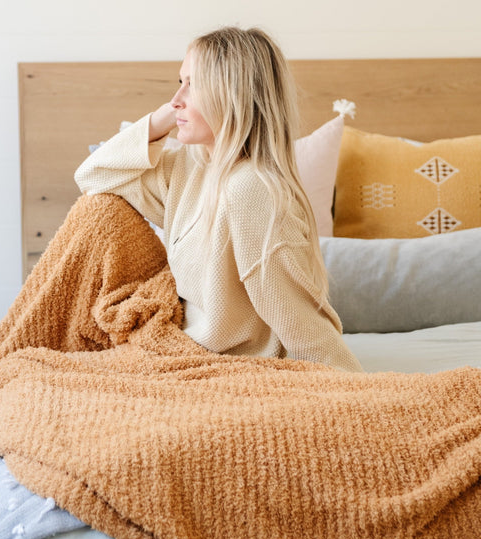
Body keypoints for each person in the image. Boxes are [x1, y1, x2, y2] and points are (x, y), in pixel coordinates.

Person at [74, 26, 362, 372]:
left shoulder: (251, 190)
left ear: (232, 95)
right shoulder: (190, 168)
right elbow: (92, 176)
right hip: (185, 347)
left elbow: (295, 314)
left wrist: (353, 385)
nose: (176, 98)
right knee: (92, 213)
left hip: (238, 366)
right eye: (180, 82)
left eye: (193, 85)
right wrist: (164, 118)